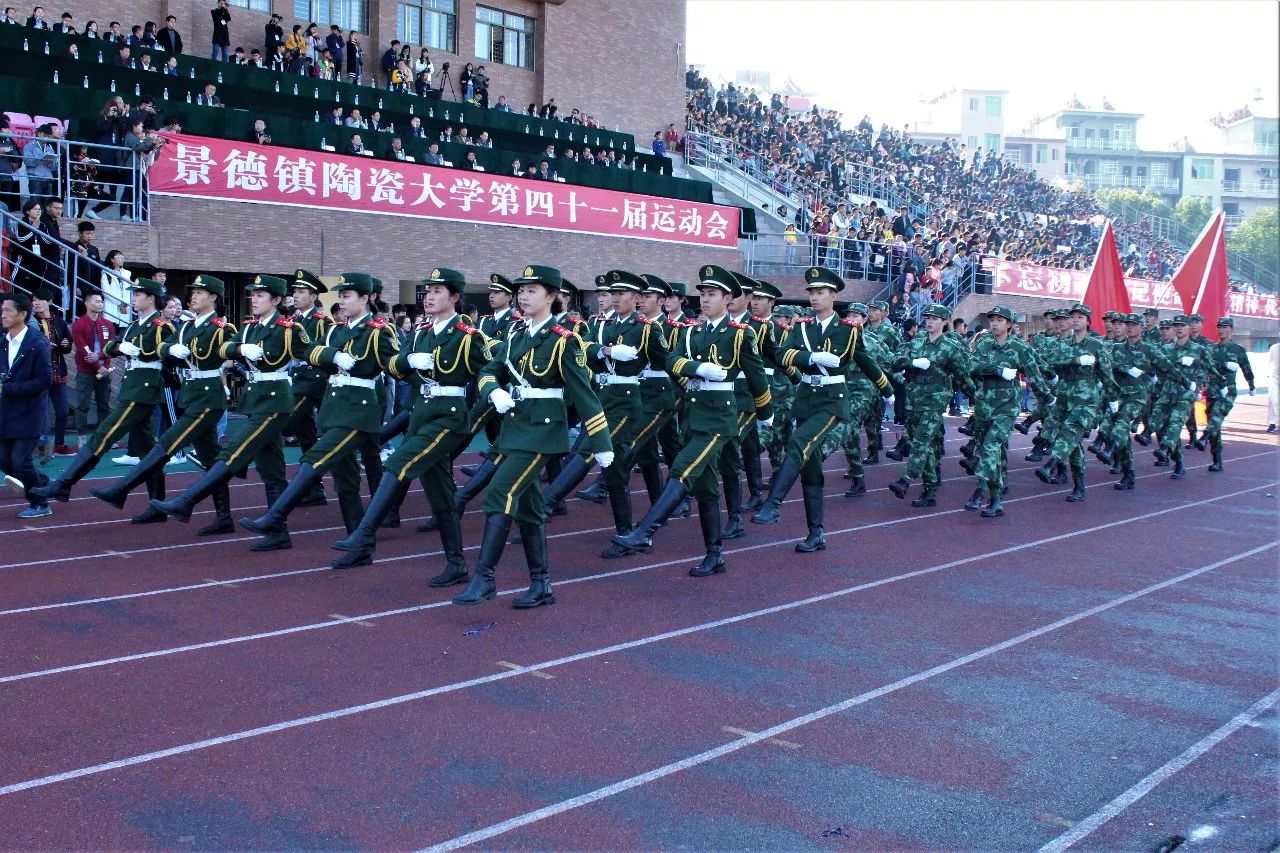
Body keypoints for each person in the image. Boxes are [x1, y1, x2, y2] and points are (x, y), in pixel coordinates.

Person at [450, 265, 613, 608]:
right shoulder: (516, 334)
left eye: (532, 291)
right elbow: (489, 369)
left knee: (500, 493)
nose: (523, 296)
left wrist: (601, 443)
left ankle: (485, 578)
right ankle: (542, 585)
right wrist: (493, 390)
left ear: (552, 297)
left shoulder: (564, 340)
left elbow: (584, 395)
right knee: (529, 508)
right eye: (521, 291)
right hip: (515, 427)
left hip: (542, 431)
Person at [613, 265, 771, 576]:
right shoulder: (692, 331)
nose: (705, 299)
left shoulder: (740, 334)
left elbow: (756, 377)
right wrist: (695, 369)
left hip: (720, 417)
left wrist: (765, 413)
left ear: (728, 299)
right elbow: (671, 361)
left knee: (682, 467)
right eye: (703, 294)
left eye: (712, 294)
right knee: (707, 489)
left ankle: (645, 531)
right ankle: (715, 555)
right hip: (695, 413)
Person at [330, 268, 490, 574]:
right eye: (427, 292)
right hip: (421, 416)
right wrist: (408, 360)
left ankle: (364, 533)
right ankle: (456, 564)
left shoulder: (467, 336)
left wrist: (474, 417)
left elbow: (490, 374)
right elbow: (392, 366)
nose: (429, 297)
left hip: (447, 419)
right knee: (441, 494)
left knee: (397, 464)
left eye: (437, 292)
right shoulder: (420, 333)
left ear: (455, 297)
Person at [240, 273, 397, 551]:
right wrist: (331, 356)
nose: (341, 301)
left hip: (359, 414)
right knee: (345, 480)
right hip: (333, 409)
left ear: (365, 298)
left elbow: (394, 366)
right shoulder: (337, 330)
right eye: (341, 296)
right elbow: (313, 352)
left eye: (347, 296)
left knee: (315, 458)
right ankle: (360, 544)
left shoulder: (378, 331)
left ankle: (276, 517)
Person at [150, 275, 313, 527]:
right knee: (271, 466)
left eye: (260, 295)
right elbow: (225, 349)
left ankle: (187, 500)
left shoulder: (289, 329)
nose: (254, 299)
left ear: (276, 300)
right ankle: (277, 530)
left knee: (233, 451)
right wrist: (239, 350)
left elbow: (311, 352)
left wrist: (336, 357)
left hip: (275, 400)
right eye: (253, 294)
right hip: (256, 398)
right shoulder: (250, 327)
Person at [751, 268, 889, 550]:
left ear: (833, 296)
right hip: (806, 397)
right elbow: (782, 354)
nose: (814, 297)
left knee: (799, 441)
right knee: (810, 467)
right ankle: (816, 534)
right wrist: (811, 356)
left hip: (832, 398)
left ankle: (773, 503)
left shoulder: (849, 330)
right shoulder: (801, 327)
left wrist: (887, 389)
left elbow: (864, 360)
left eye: (820, 293)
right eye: (811, 293)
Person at [89, 276, 237, 531]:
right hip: (193, 395)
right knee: (212, 460)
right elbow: (167, 349)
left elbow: (229, 351)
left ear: (213, 297)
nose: (194, 296)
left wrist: (240, 351)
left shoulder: (222, 327)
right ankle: (224, 518)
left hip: (208, 399)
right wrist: (169, 351)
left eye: (200, 292)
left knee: (167, 443)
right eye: (193, 292)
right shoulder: (187, 327)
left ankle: (122, 489)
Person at [32, 279, 176, 512]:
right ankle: (156, 505)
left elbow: (166, 350)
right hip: (135, 387)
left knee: (103, 434)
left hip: (144, 389)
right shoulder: (133, 325)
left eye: (138, 294)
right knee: (148, 449)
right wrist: (120, 348)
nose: (133, 298)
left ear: (150, 297)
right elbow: (109, 347)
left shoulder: (162, 326)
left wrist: (136, 350)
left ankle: (64, 484)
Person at [960, 305, 1049, 517]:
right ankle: (997, 501)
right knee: (994, 455)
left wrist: (1048, 397)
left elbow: (1034, 375)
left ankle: (980, 490)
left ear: (1009, 324)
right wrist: (996, 370)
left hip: (1007, 407)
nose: (994, 323)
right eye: (992, 320)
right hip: (984, 405)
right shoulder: (984, 344)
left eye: (999, 320)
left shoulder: (1020, 348)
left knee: (991, 448)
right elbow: (971, 367)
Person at [887, 303, 975, 507]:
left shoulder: (950, 348)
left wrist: (976, 398)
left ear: (945, 322)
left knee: (921, 442)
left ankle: (905, 480)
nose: (929, 321)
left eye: (934, 318)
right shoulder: (917, 343)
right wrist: (912, 363)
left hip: (935, 401)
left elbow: (963, 376)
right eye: (927, 318)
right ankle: (930, 489)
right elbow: (895, 362)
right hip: (914, 400)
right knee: (930, 448)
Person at [1032, 304, 1118, 499]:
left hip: (1085, 400)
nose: (1076, 320)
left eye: (1081, 317)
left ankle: (1051, 464)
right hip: (1064, 396)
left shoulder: (1096, 346)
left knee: (1071, 431)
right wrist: (1077, 360)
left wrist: (1112, 399)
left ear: (1088, 321)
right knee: (1073, 444)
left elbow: (1106, 375)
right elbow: (1053, 360)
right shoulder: (1062, 343)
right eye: (1073, 317)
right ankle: (1079, 486)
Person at [1, 292, 54, 517]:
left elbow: (44, 380)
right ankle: (42, 482)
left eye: (7, 311)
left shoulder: (36, 342)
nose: (2, 315)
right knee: (4, 460)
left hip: (30, 412)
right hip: (6, 412)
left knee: (20, 461)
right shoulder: (3, 341)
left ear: (22, 314)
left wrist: (8, 388)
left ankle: (40, 502)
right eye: (2, 310)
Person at [282, 269, 332, 508]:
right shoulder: (295, 320)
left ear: (313, 296)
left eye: (301, 292)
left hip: (313, 382)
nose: (296, 295)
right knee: (306, 436)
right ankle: (314, 489)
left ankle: (286, 488)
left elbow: (321, 351)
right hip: (298, 378)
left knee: (283, 423)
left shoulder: (321, 322)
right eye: (295, 291)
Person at [1197, 317, 1254, 472]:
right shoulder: (1211, 349)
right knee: (1214, 425)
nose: (1221, 329)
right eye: (1219, 326)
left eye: (1225, 327)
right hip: (1212, 391)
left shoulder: (1238, 349)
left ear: (1231, 329)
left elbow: (1246, 368)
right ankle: (1217, 460)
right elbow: (1204, 368)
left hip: (1228, 391)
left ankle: (1204, 437)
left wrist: (1251, 385)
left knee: (1216, 415)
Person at [30, 288, 72, 456]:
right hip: (40, 373)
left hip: (58, 371)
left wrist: (60, 346)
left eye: (39, 299)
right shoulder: (31, 322)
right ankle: (42, 445)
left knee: (62, 410)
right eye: (34, 300)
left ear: (49, 302)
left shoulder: (59, 322)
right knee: (42, 411)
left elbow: (68, 343)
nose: (36, 303)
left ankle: (59, 444)